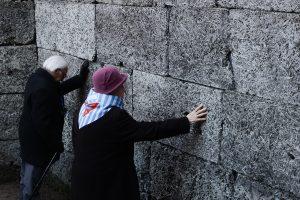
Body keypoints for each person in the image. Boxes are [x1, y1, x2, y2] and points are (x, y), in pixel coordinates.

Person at [71, 66, 208, 200]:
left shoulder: (83, 110)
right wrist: (186, 121)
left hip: (82, 182)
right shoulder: (114, 117)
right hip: (108, 186)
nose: (124, 90)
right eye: (121, 86)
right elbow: (149, 130)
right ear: (115, 90)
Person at [18, 55, 89, 200]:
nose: (65, 75)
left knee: (28, 178)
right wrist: (56, 144)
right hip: (36, 144)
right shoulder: (43, 88)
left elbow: (58, 89)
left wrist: (80, 79)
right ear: (56, 71)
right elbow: (43, 123)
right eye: (64, 72)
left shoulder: (38, 78)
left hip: (30, 139)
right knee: (31, 183)